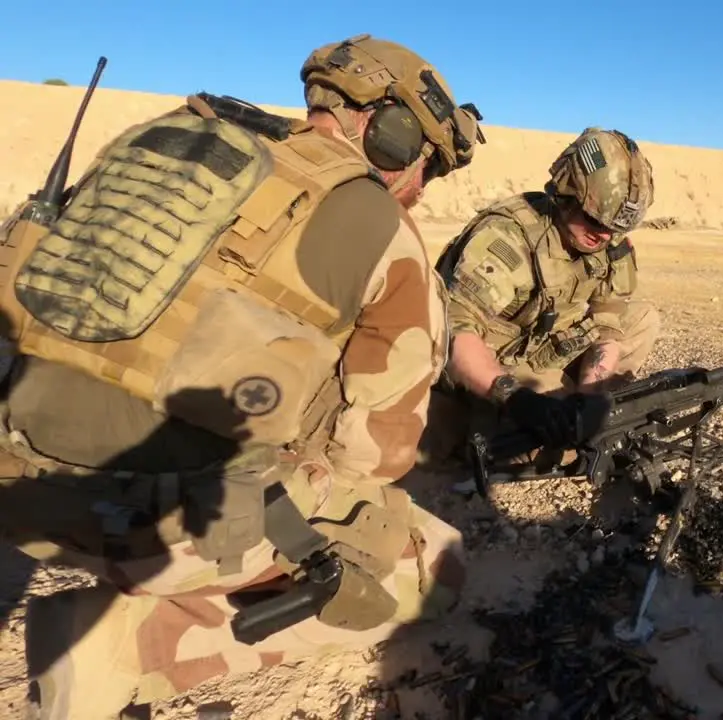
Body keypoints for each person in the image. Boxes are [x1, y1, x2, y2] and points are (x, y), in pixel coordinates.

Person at [0, 34, 485, 719]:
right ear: (395, 133)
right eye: (426, 167)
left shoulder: (160, 144)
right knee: (431, 560)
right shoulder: (384, 229)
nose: (420, 189)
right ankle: (124, 647)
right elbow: (375, 456)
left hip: (14, 479)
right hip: (147, 515)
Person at [424, 127, 659, 471]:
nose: (605, 235)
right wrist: (517, 399)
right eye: (595, 220)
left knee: (642, 318)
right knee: (551, 432)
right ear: (566, 195)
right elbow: (453, 333)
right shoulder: (507, 237)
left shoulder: (610, 240)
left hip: (541, 348)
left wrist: (590, 397)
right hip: (486, 367)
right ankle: (472, 430)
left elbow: (609, 318)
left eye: (615, 228)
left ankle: (587, 411)